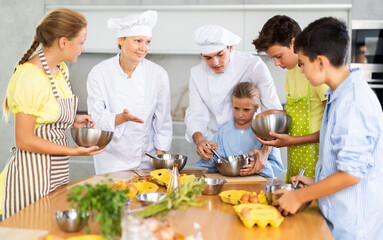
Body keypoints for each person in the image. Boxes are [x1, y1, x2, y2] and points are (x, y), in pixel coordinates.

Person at [273, 17, 383, 240]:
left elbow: (351, 174)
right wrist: (316, 182)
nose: (301, 70)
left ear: (321, 62)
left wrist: (299, 196)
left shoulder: (353, 103)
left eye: (302, 63)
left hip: (352, 229)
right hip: (335, 220)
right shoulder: (338, 96)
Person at [0, 8, 104, 219]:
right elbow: (24, 139)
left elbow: (45, 113)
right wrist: (74, 151)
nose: (83, 48)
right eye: (81, 42)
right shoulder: (31, 77)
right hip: (30, 180)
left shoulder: (61, 70)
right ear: (63, 42)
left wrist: (72, 119)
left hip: (56, 174)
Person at [185, 24, 282, 175]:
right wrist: (199, 140)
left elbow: (273, 112)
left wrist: (265, 152)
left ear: (230, 48)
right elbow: (195, 113)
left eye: (220, 54)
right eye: (208, 58)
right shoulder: (197, 74)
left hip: (254, 144)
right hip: (219, 148)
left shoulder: (253, 65)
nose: (215, 63)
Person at [87, 10, 172, 174]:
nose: (143, 48)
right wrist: (121, 118)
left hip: (147, 158)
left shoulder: (158, 74)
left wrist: (160, 161)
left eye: (147, 42)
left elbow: (163, 122)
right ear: (121, 40)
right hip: (110, 160)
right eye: (138, 41)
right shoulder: (99, 73)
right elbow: (95, 119)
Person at [251, 15, 329, 181]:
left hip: (317, 157)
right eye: (273, 58)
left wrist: (292, 140)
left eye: (278, 56)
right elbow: (302, 111)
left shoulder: (315, 71)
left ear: (294, 43)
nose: (276, 64)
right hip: (296, 155)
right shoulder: (292, 70)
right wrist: (276, 113)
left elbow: (332, 126)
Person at [197, 82, 283, 178]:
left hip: (257, 187)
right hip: (228, 186)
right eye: (236, 108)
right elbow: (214, 164)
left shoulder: (265, 132)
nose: (240, 114)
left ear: (256, 108)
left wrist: (260, 166)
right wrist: (208, 154)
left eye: (246, 110)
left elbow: (276, 167)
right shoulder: (223, 132)